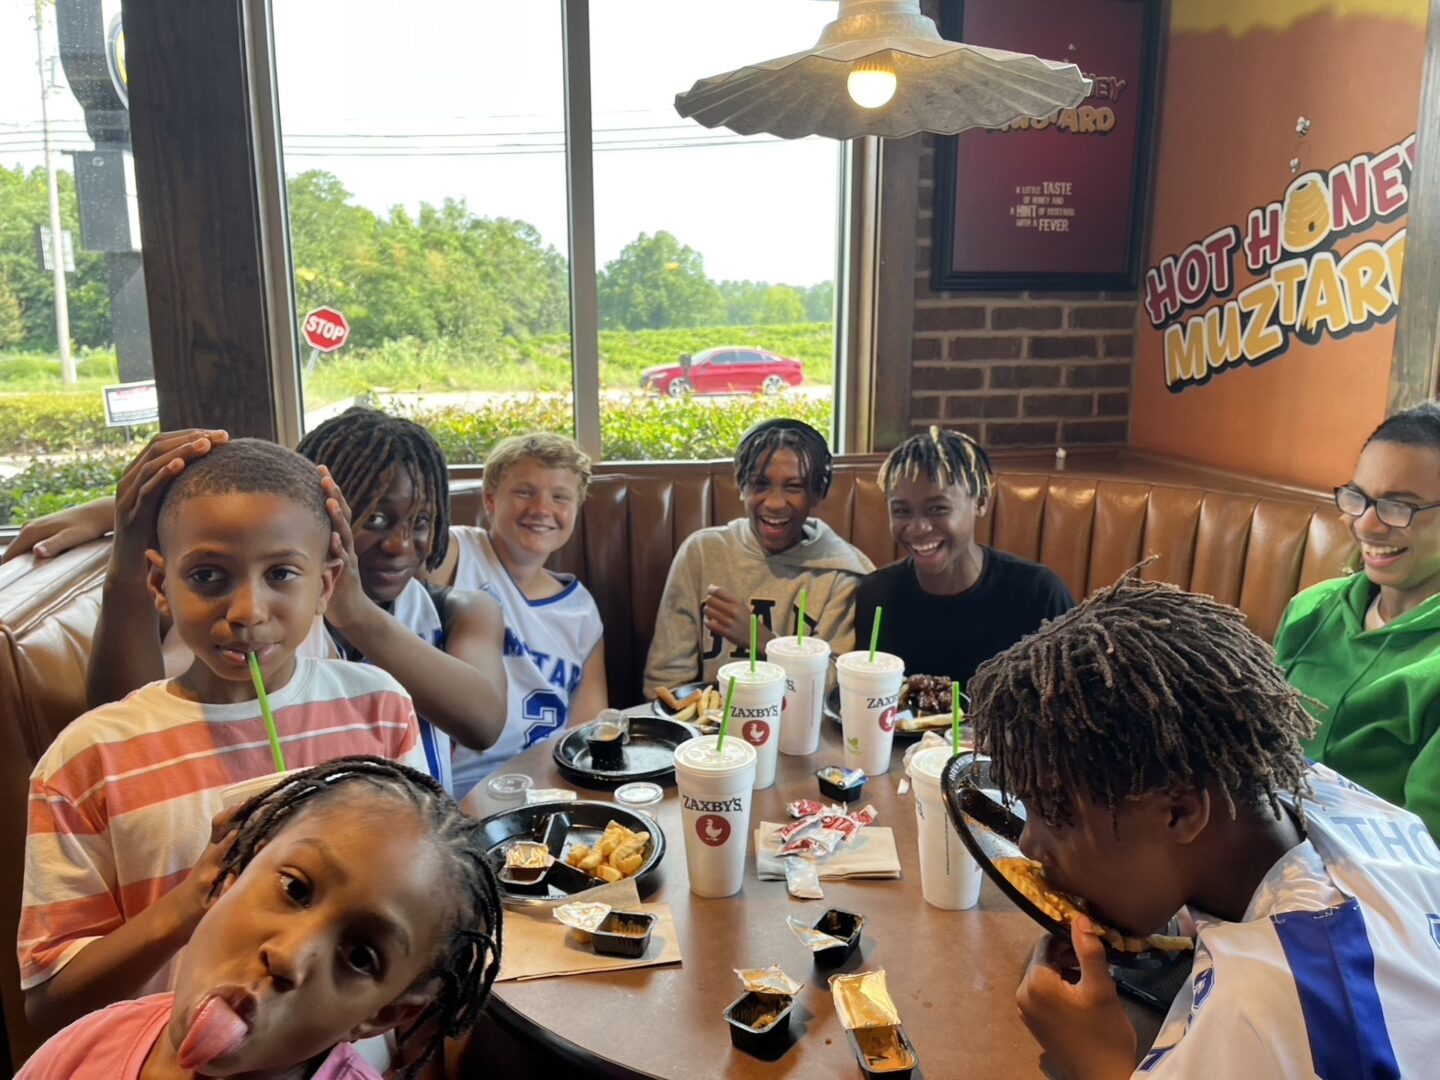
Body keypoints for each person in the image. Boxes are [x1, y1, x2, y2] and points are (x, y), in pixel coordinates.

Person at [19, 439, 430, 1037]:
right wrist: (186, 907)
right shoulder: (88, 759)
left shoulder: (379, 707)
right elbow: (51, 1006)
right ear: (160, 583)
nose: (246, 609)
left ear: (326, 582)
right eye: (209, 576)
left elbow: (412, 924)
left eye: (282, 574)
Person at [968, 572, 1440, 1079]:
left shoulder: (1260, 1008)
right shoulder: (1316, 795)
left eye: (1057, 815)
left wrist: (1097, 1061)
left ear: (1181, 812)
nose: (1029, 843)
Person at [17, 756, 503, 1080]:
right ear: (229, 878)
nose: (288, 956)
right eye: (295, 888)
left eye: (359, 957)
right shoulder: (90, 1045)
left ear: (383, 1014)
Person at [1274, 401, 1440, 837]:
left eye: (1400, 506)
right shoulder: (1310, 610)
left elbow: (1427, 846)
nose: (1367, 525)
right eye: (1359, 498)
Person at [431, 432, 607, 799]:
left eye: (560, 497)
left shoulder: (581, 610)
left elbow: (587, 732)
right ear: (490, 500)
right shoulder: (457, 551)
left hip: (543, 788)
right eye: (525, 492)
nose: (542, 508)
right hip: (449, 790)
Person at [644, 418, 873, 695]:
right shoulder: (702, 553)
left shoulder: (842, 573)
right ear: (741, 486)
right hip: (709, 731)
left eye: (794, 487)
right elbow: (667, 679)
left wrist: (764, 643)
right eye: (760, 485)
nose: (775, 503)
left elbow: (836, 686)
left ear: (817, 492)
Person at [856, 426, 1073, 688]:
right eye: (902, 511)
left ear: (980, 502)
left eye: (937, 508)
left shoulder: (1038, 594)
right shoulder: (877, 594)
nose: (918, 527)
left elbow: (1074, 702)